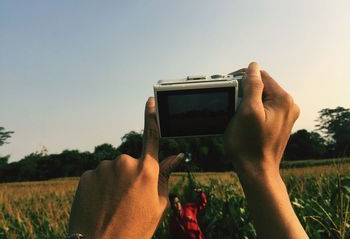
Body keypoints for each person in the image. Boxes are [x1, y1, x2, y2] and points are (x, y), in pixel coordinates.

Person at [67, 62, 309, 239]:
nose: (178, 207)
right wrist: (261, 170)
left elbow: (201, 205)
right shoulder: (176, 220)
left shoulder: (189, 210)